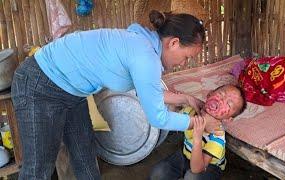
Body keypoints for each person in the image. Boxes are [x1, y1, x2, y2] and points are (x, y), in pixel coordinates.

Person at [11, 10, 220, 180]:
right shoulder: (145, 57)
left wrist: (187, 99)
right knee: (38, 170)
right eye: (186, 57)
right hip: (40, 85)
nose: (183, 64)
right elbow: (158, 117)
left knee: (84, 156)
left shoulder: (142, 42)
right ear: (174, 43)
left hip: (71, 92)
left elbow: (148, 93)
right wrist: (198, 123)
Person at [149, 84, 246, 180]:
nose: (221, 101)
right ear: (209, 94)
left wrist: (197, 138)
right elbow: (172, 117)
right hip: (186, 154)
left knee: (192, 177)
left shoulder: (217, 137)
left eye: (229, 104)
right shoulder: (190, 111)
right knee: (158, 173)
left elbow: (197, 169)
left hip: (208, 166)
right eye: (221, 94)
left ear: (228, 119)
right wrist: (175, 101)